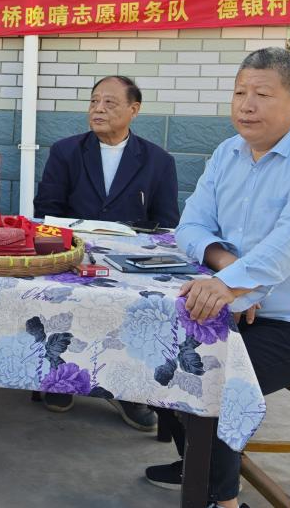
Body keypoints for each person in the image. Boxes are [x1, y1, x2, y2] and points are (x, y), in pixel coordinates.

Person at [142, 48, 290, 508]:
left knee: (210, 375)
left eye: (262, 94)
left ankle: (221, 498)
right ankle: (198, 464)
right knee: (156, 350)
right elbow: (190, 227)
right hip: (240, 312)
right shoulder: (228, 152)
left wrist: (234, 286)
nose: (246, 105)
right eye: (240, 93)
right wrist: (232, 274)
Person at [33, 75, 178, 429]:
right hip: (73, 254)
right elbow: (46, 208)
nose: (98, 109)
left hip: (130, 261)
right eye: (94, 101)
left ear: (134, 109)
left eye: (109, 103)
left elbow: (166, 224)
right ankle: (61, 377)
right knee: (60, 303)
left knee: (141, 313)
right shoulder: (66, 151)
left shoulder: (158, 160)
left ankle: (128, 392)